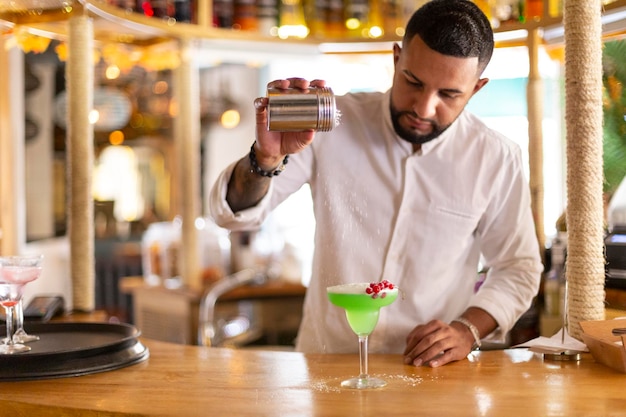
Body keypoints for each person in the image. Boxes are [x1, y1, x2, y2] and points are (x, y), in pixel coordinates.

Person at [209, 0, 543, 367]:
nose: (423, 108)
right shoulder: (332, 124)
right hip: (328, 365)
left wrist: (467, 330)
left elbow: (519, 267)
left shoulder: (495, 157)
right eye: (413, 82)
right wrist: (266, 159)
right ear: (397, 58)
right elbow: (235, 216)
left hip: (432, 374)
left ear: (477, 88)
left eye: (449, 94)